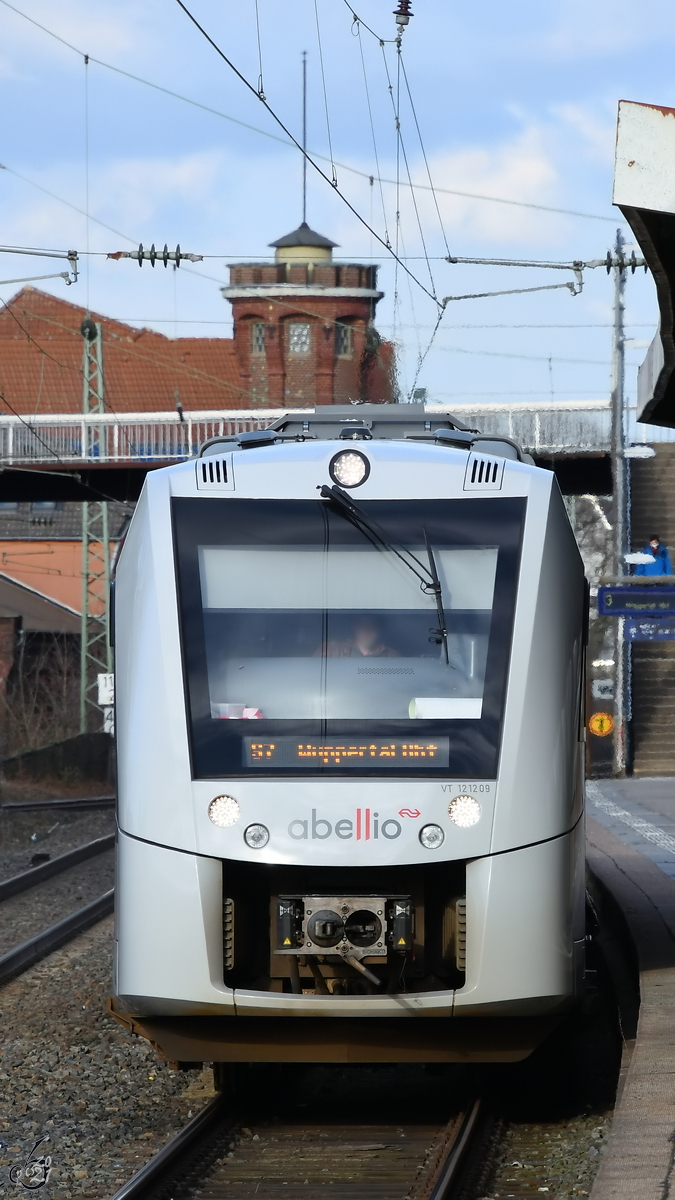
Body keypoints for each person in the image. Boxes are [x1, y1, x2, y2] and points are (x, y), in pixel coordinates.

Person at [314, 616, 399, 658]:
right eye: (362, 626)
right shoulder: (330, 649)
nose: (366, 631)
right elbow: (312, 678)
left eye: (371, 627)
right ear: (355, 627)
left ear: (379, 630)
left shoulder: (393, 657)